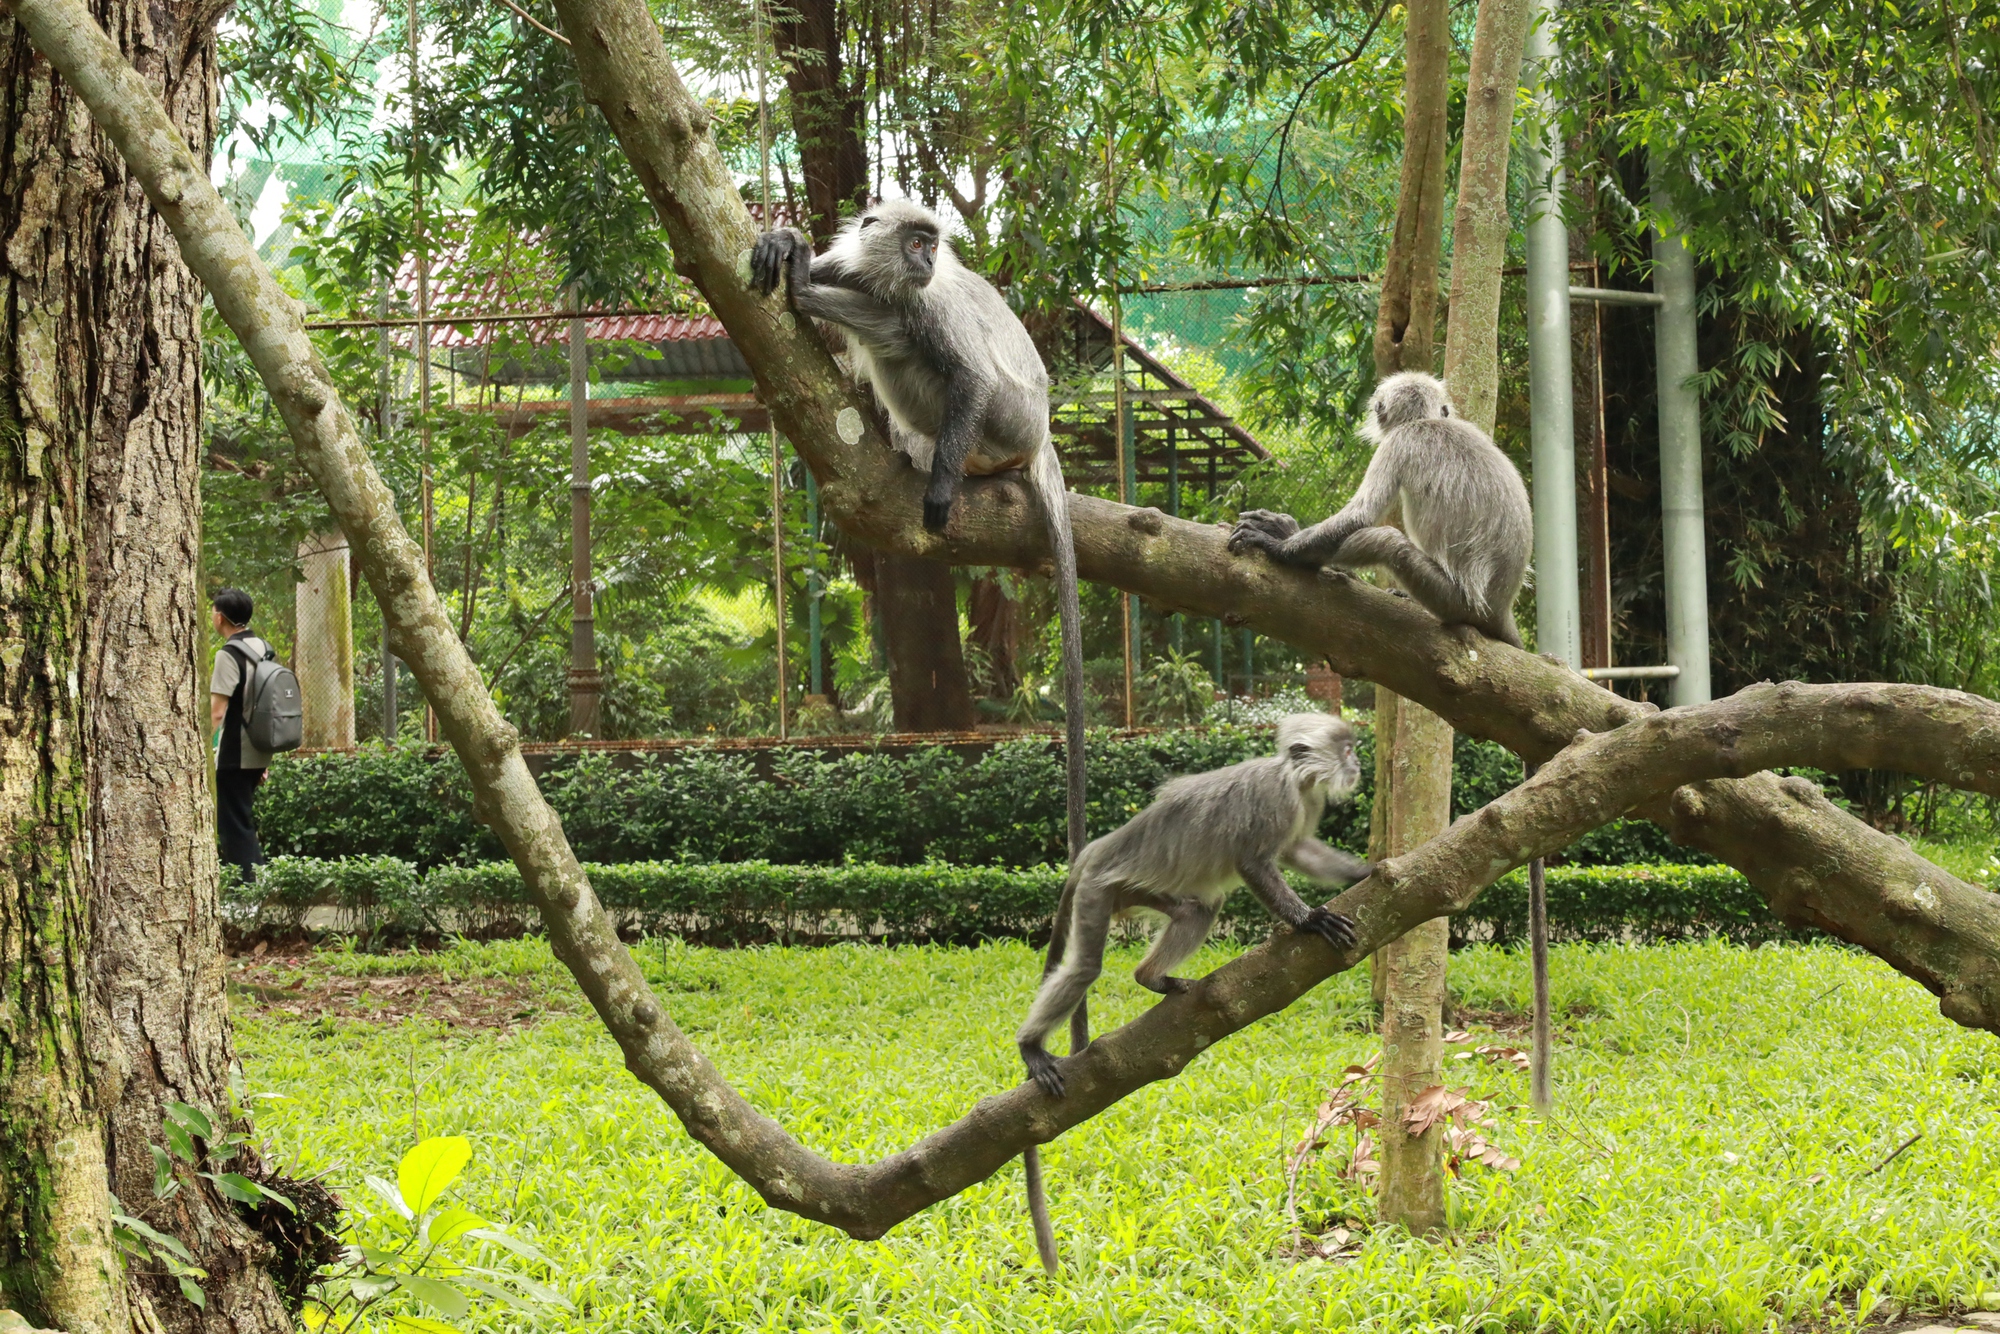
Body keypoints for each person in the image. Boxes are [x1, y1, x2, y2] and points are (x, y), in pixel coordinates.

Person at [210, 588, 274, 882]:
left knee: (233, 824)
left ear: (220, 617)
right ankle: (253, 885)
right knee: (242, 819)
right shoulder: (264, 647)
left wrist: (202, 751)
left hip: (234, 751)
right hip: (260, 748)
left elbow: (217, 712)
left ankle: (248, 889)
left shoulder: (228, 654)